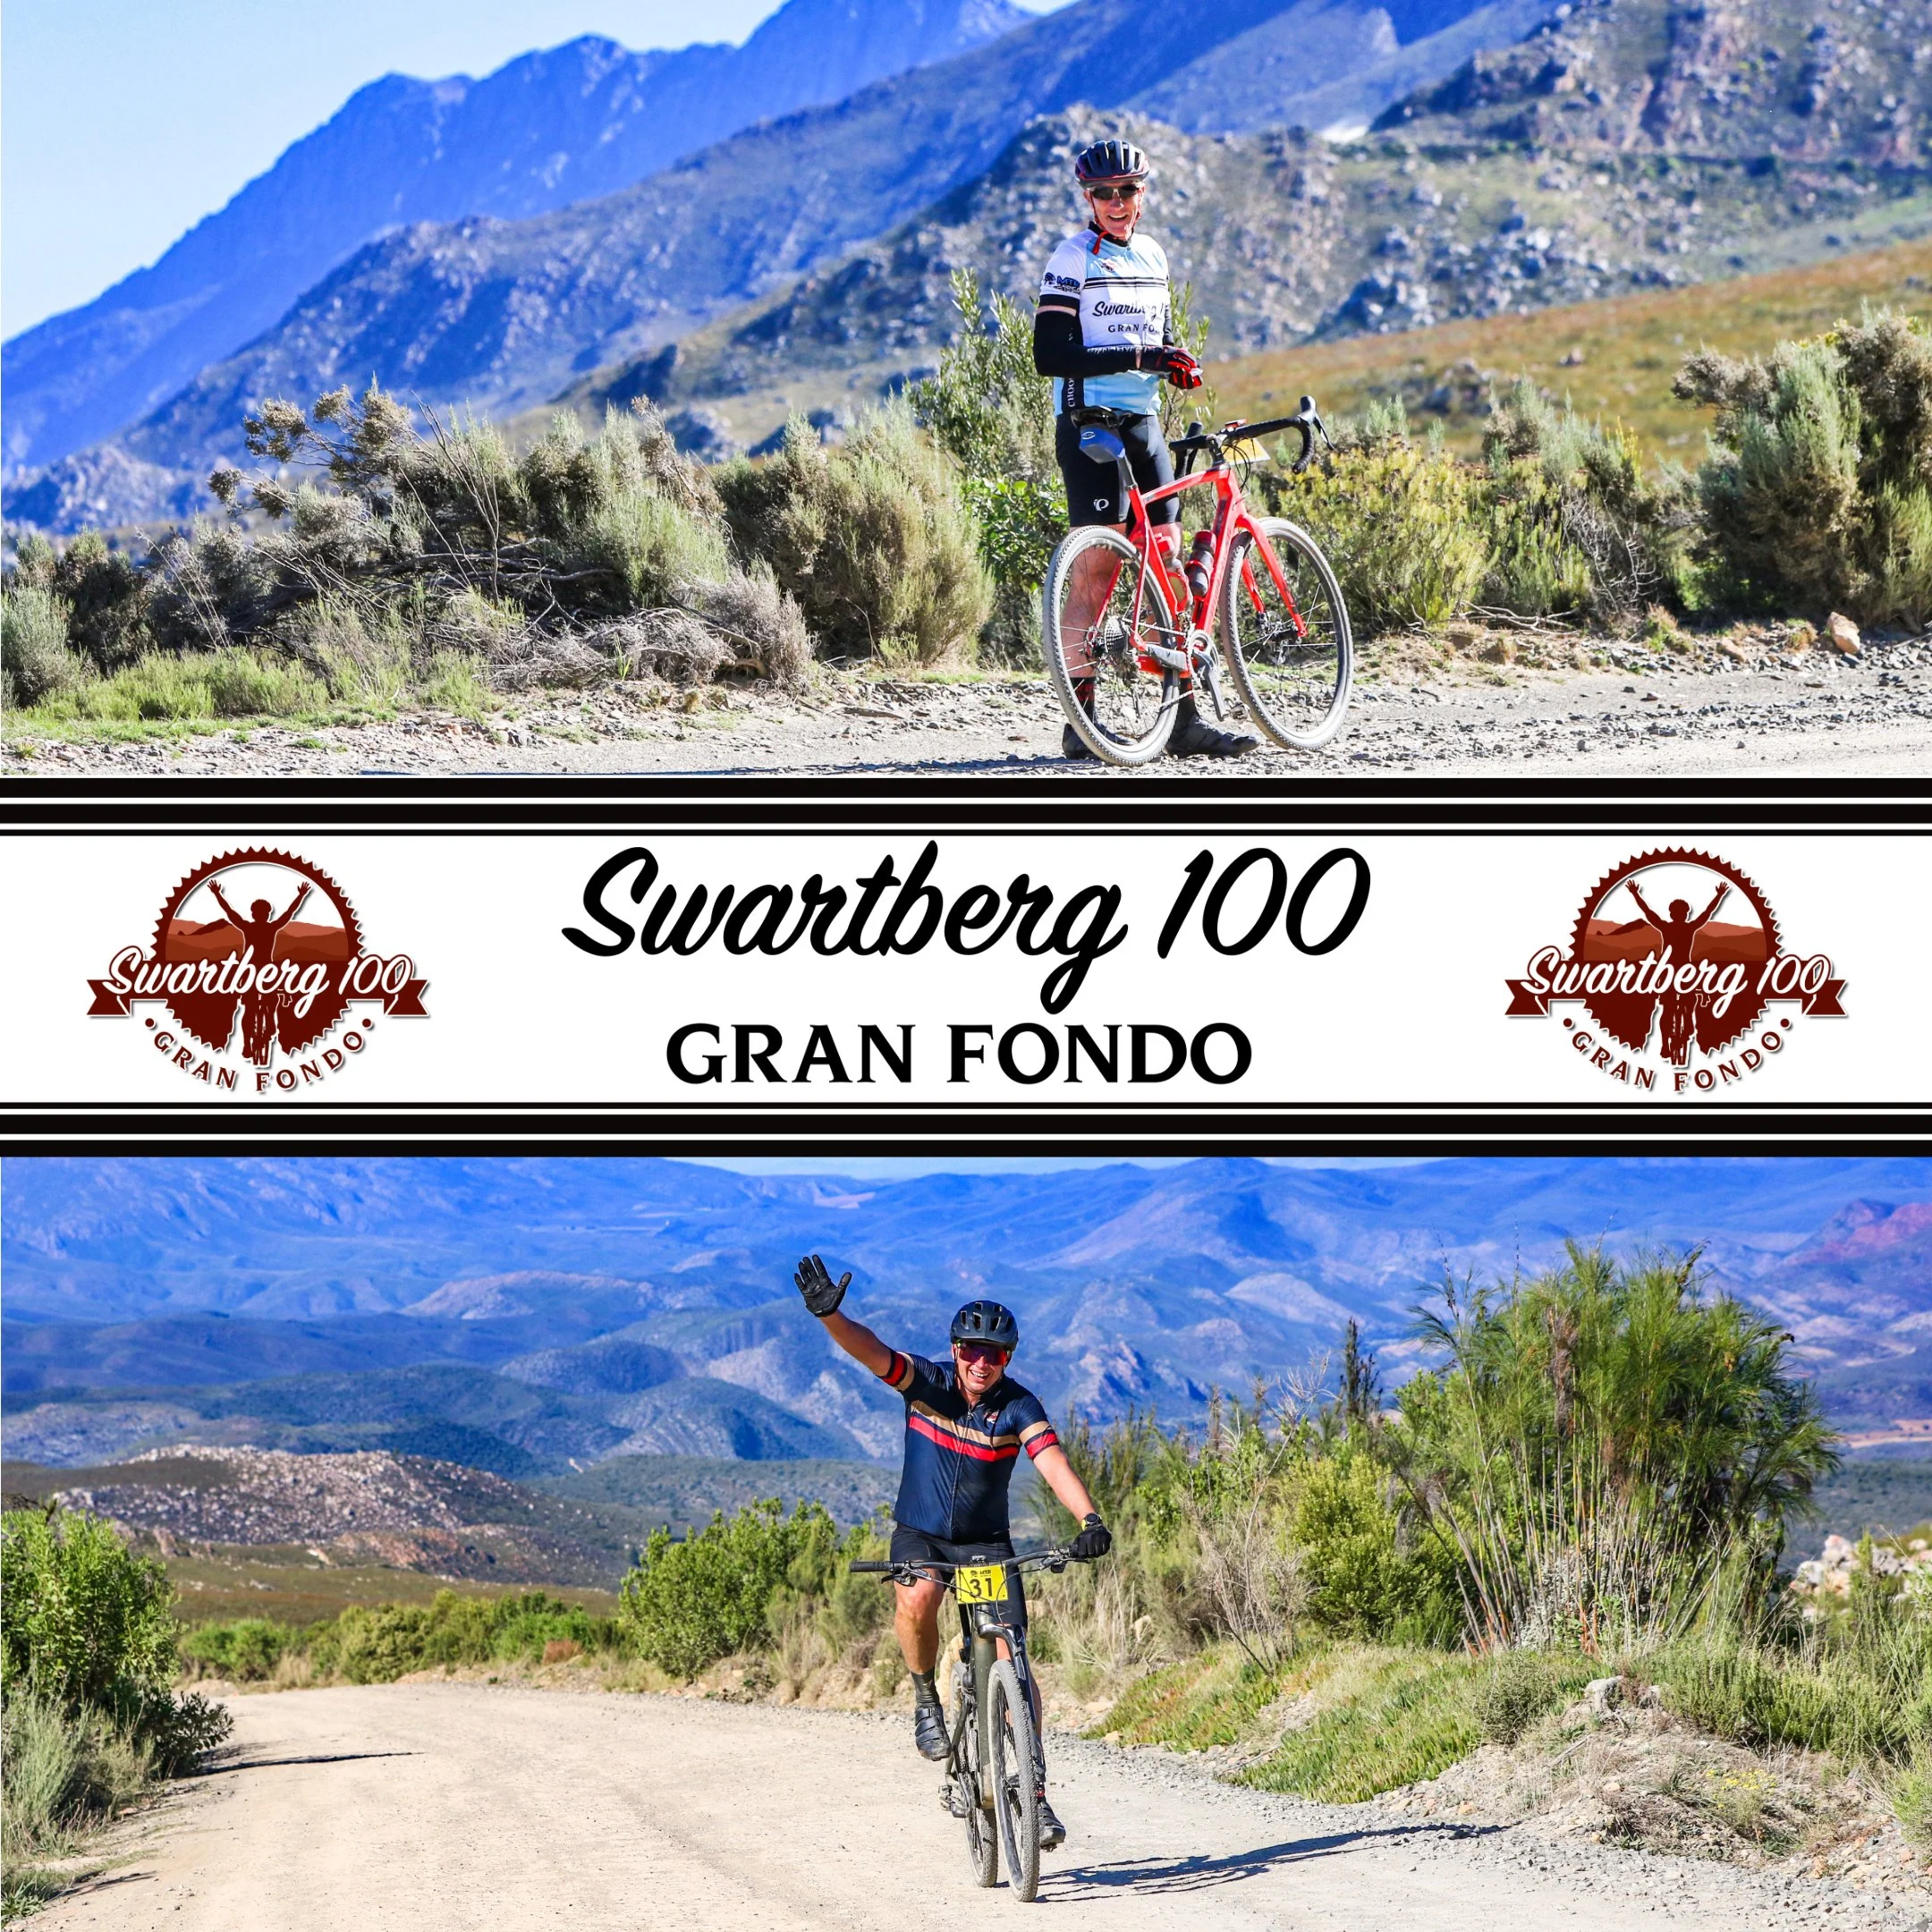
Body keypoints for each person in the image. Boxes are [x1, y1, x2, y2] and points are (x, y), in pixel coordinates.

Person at [792, 1254, 1111, 1851]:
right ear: (955, 1349)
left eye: (994, 1353)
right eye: (970, 1349)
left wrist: (1088, 1518)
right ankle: (923, 1698)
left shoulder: (1019, 1407)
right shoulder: (927, 1383)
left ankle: (1036, 1796)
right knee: (919, 1597)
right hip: (922, 1534)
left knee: (1011, 1656)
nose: (981, 1361)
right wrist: (831, 1317)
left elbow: (1052, 1461)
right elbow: (870, 1350)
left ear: (1007, 1358)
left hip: (986, 1545)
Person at [1034, 135, 1258, 762]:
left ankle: (1180, 719)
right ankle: (1082, 724)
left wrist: (1172, 364)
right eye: (1102, 193)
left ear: (1142, 194)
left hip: (1144, 421)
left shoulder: (1154, 255)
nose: (1115, 202)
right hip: (1088, 423)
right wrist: (1143, 356)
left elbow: (1150, 337)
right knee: (1098, 571)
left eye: (1126, 191)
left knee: (1168, 563)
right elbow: (1049, 355)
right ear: (1087, 197)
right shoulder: (1072, 257)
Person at [207, 876, 311, 1066]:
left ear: (253, 914)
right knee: (271, 1000)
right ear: (268, 914)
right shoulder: (271, 928)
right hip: (267, 972)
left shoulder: (248, 927)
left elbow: (230, 913)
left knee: (248, 1009)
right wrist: (301, 896)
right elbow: (289, 912)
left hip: (250, 972)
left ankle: (247, 1044)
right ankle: (269, 1023)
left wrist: (217, 894)